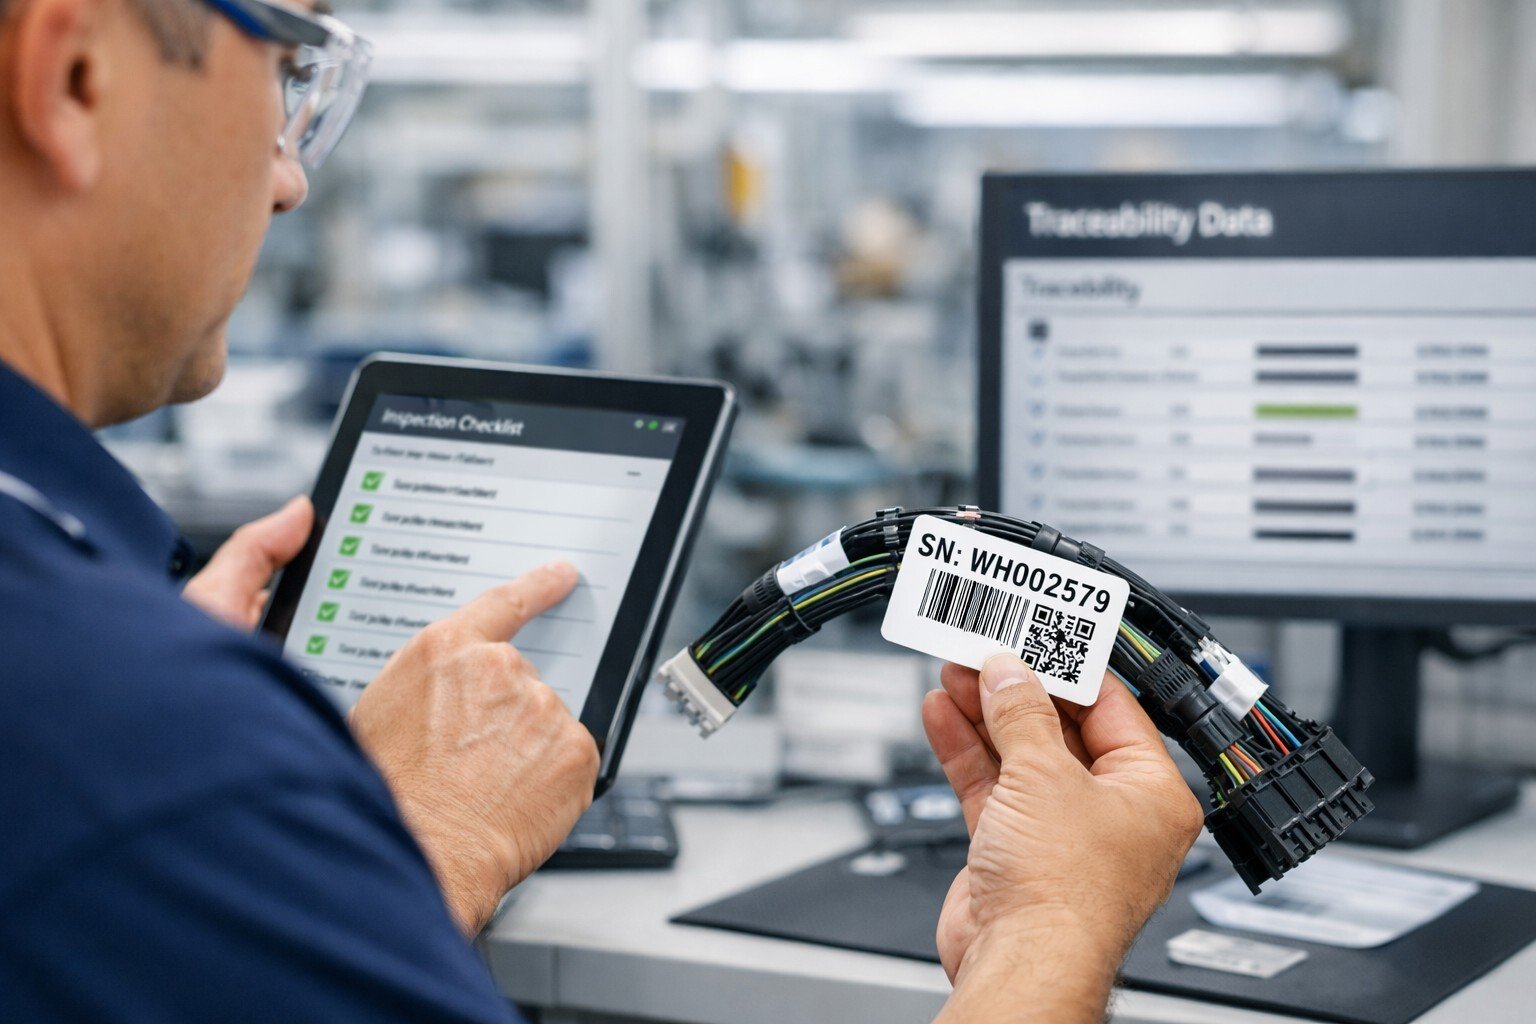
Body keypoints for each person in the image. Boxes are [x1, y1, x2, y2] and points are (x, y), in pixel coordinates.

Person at [0, 0, 1202, 1020]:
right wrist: (1047, 931)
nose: (290, 175)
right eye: (284, 69)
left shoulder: (100, 675)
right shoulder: (125, 739)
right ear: (76, 79)